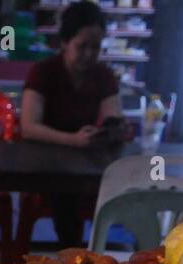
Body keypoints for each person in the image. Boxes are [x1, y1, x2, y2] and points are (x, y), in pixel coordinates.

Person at [20, 2, 124, 246]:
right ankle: (75, 253)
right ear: (65, 42)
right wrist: (73, 140)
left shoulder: (103, 75)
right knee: (67, 196)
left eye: (95, 47)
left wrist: (110, 130)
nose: (89, 54)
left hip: (82, 164)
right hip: (42, 163)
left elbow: (113, 116)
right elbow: (29, 127)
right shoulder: (43, 71)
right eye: (82, 46)